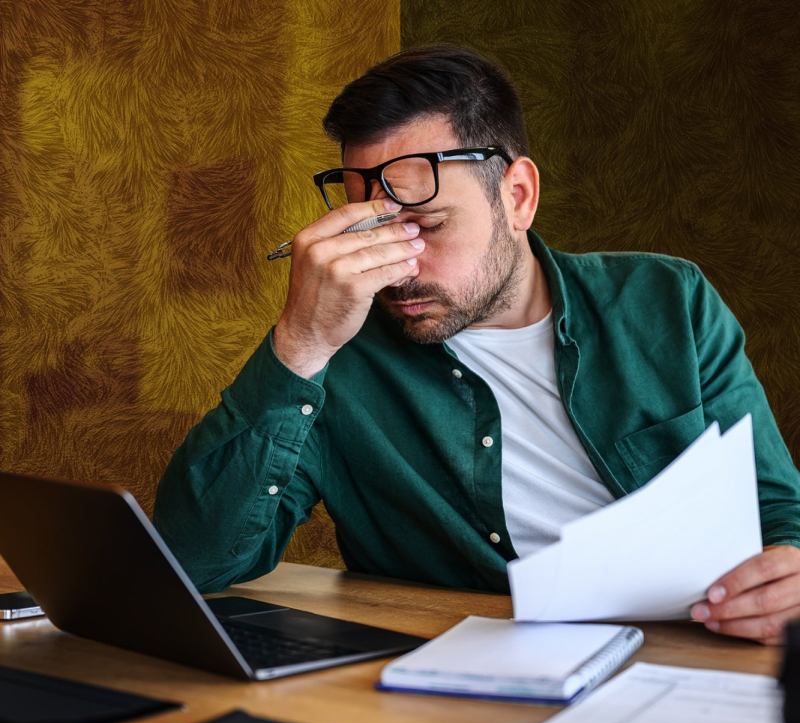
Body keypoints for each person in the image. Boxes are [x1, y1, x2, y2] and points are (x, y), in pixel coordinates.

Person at [154, 45, 800, 645]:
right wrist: (300, 343)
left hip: (695, 656)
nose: (398, 267)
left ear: (517, 197)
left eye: (426, 225)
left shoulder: (666, 300)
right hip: (459, 677)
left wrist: (788, 572)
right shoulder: (335, 358)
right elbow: (194, 561)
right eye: (370, 233)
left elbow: (775, 509)